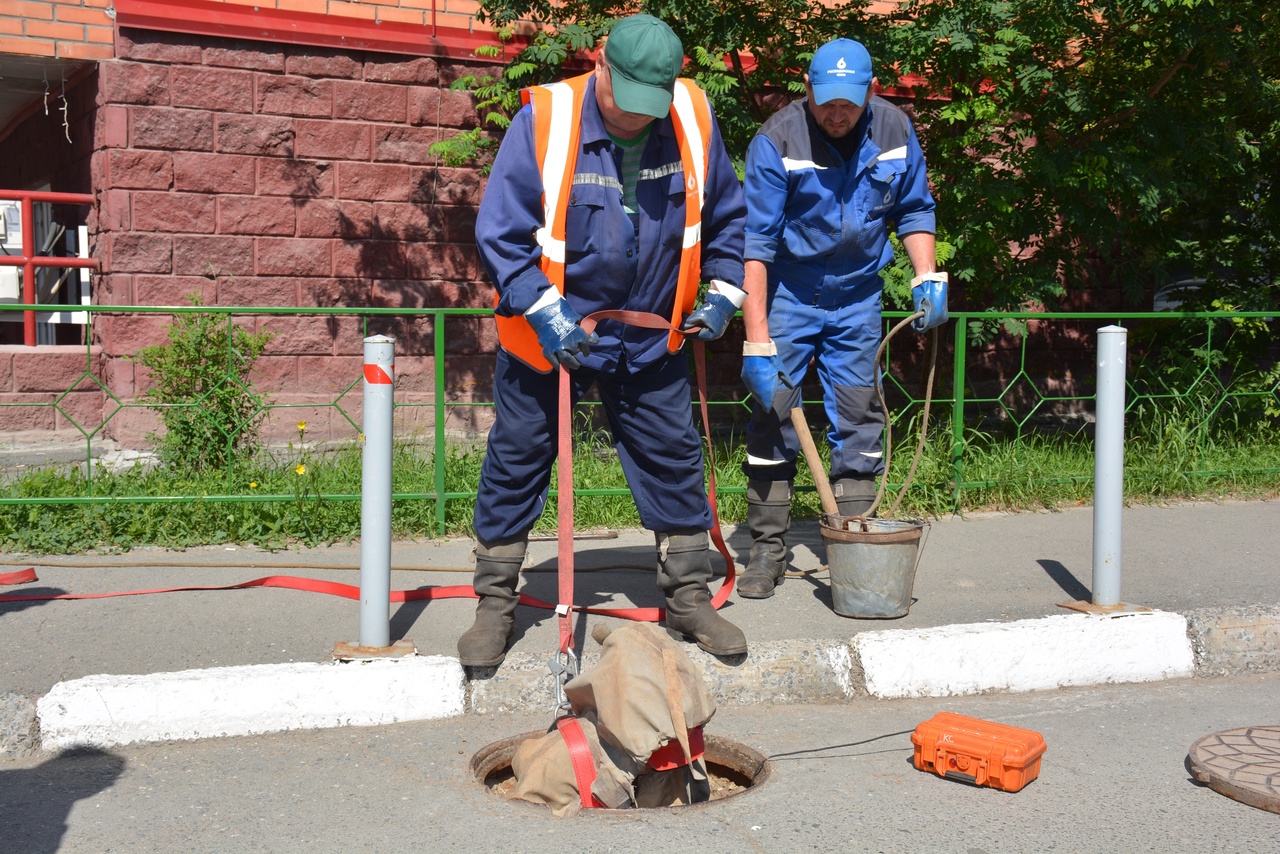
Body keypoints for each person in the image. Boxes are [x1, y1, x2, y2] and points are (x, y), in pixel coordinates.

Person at [461, 14, 750, 666]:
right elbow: (502, 234)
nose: (639, 118)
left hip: (648, 336)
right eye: (628, 101)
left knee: (674, 457)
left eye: (655, 103)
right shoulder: (545, 118)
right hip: (550, 334)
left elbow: (729, 216)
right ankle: (495, 603)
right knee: (517, 459)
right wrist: (544, 312)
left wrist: (726, 293)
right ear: (600, 66)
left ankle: (688, 598)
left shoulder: (691, 116)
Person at [735, 38, 948, 599]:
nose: (836, 113)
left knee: (859, 411)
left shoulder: (896, 131)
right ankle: (767, 549)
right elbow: (753, 245)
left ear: (870, 93)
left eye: (848, 104)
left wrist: (926, 275)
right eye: (825, 101)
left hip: (858, 295)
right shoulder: (777, 140)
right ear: (807, 89)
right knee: (772, 414)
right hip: (789, 291)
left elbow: (915, 207)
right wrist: (757, 342)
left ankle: (855, 537)